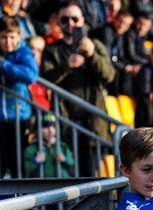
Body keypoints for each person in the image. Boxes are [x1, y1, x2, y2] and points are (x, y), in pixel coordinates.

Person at [41, 0, 115, 178]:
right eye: (65, 19)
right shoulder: (53, 49)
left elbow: (110, 75)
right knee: (69, 178)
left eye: (75, 19)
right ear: (58, 23)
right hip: (65, 122)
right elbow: (44, 79)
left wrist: (92, 55)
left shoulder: (95, 45)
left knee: (92, 177)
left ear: (83, 20)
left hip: (93, 121)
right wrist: (65, 66)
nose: (70, 24)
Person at [0, 15, 38, 179]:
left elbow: (31, 75)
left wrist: (4, 67)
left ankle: (24, 205)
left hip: (18, 118)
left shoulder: (24, 51)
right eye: (4, 37)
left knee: (19, 167)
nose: (8, 42)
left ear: (18, 36)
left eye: (12, 37)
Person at [91, 8, 145, 95]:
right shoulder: (106, 31)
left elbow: (118, 55)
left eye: (126, 25)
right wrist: (124, 67)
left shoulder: (119, 34)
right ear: (115, 18)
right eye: (121, 21)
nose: (122, 26)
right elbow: (108, 56)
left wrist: (129, 66)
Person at [23, 113, 74, 178]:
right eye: (46, 127)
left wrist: (64, 159)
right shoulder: (32, 148)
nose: (50, 130)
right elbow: (27, 168)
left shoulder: (62, 145)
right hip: (41, 185)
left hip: (62, 183)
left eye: (53, 127)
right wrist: (36, 161)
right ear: (38, 130)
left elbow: (71, 162)